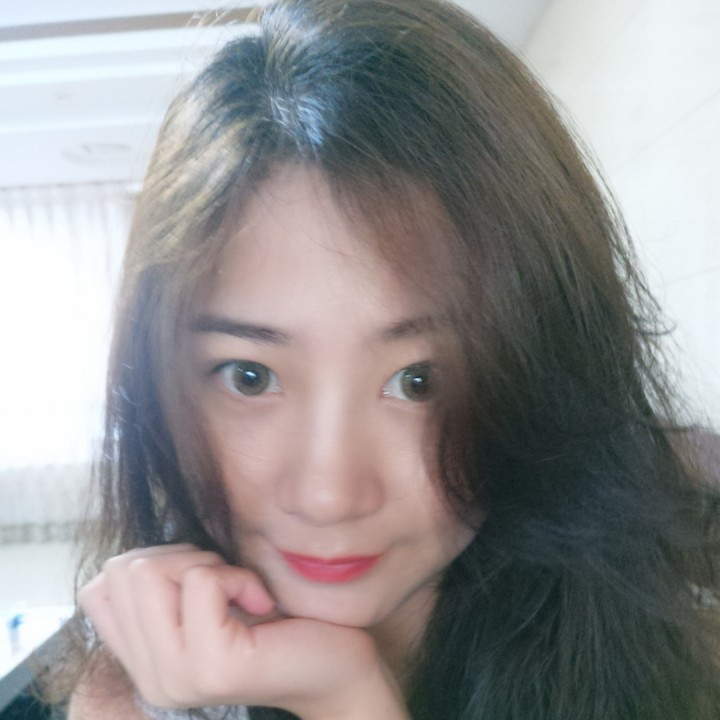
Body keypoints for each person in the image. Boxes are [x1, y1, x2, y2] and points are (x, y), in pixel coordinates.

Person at [60, 0, 720, 718]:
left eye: (419, 381)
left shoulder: (686, 661)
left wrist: (344, 698)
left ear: (544, 373)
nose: (328, 495)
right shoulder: (130, 697)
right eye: (251, 377)